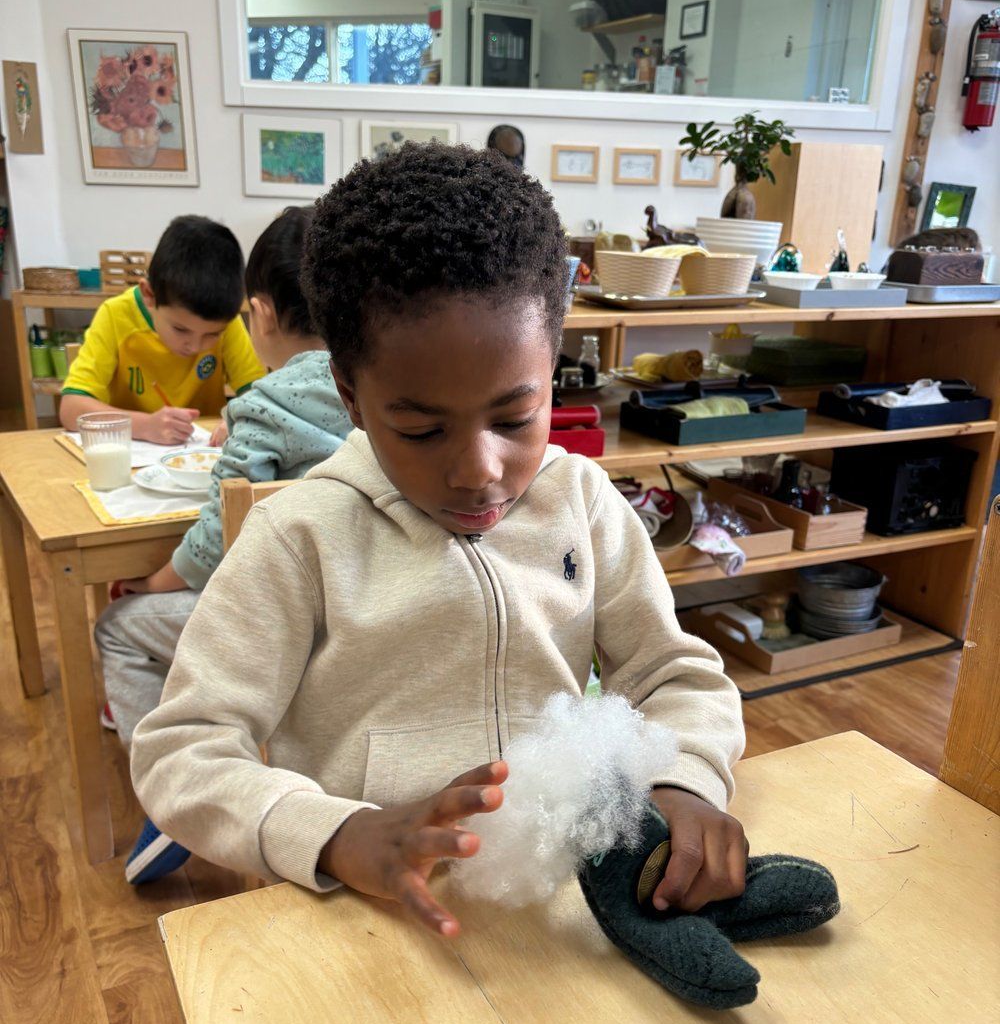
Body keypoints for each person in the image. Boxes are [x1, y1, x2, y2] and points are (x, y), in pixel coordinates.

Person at [131, 144, 747, 935]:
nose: (477, 469)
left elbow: (676, 673)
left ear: (551, 372)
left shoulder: (583, 502)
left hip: (558, 918)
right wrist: (336, 833)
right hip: (365, 924)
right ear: (353, 400)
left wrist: (687, 781)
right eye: (421, 428)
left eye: (515, 418)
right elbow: (183, 748)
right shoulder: (301, 537)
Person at [96, 207, 353, 884]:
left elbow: (214, 542)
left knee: (120, 628)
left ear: (259, 314)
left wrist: (150, 583)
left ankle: (176, 796)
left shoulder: (262, 405)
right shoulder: (380, 391)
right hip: (358, 611)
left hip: (273, 627)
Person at [60, 215, 264, 447]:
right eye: (180, 329)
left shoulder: (227, 320)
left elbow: (257, 395)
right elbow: (71, 408)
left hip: (200, 457)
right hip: (130, 457)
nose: (195, 346)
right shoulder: (115, 315)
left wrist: (238, 418)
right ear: (149, 295)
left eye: (212, 335)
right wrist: (144, 425)